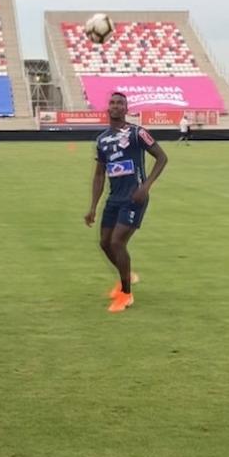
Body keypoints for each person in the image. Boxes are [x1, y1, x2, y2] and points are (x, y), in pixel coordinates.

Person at [84, 92, 169, 313]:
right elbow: (99, 175)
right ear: (107, 108)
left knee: (117, 242)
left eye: (120, 103)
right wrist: (93, 207)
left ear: (126, 108)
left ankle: (126, 294)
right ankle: (127, 273)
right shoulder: (102, 139)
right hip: (114, 197)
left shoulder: (136, 132)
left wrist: (146, 186)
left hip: (134, 197)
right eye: (112, 102)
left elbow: (162, 157)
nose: (115, 106)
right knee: (104, 243)